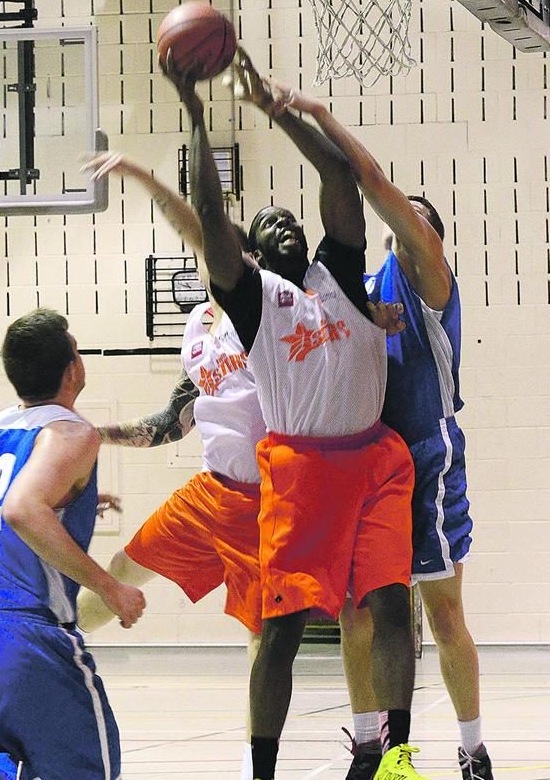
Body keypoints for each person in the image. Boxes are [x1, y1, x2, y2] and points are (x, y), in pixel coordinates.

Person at [169, 49, 426, 780]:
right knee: (278, 631)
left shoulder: (338, 273)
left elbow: (338, 176)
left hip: (374, 457)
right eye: (268, 222)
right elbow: (210, 215)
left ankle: (398, 754)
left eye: (291, 219)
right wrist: (195, 113)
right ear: (251, 251)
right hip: (301, 467)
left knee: (389, 603)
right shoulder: (251, 300)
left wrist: (276, 112)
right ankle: (263, 770)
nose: (283, 223)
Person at [311, 113, 492, 780]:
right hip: (370, 465)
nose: (400, 218)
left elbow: (376, 184)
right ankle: (371, 745)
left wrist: (321, 122)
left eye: (415, 216)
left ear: (431, 238)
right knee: (357, 609)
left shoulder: (435, 284)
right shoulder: (366, 289)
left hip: (431, 460)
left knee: (444, 615)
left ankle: (474, 749)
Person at [77, 152, 267, 780]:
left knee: (260, 636)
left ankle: (253, 762)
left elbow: (198, 221)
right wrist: (96, 433)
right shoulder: (199, 324)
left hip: (269, 497)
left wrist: (145, 177)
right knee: (118, 575)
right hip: (211, 490)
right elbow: (170, 424)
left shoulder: (260, 307)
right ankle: (52, 651)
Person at [0, 308, 146, 779]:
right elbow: (21, 509)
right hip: (21, 639)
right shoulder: (71, 432)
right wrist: (110, 587)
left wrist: (75, 501)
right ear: (73, 369)